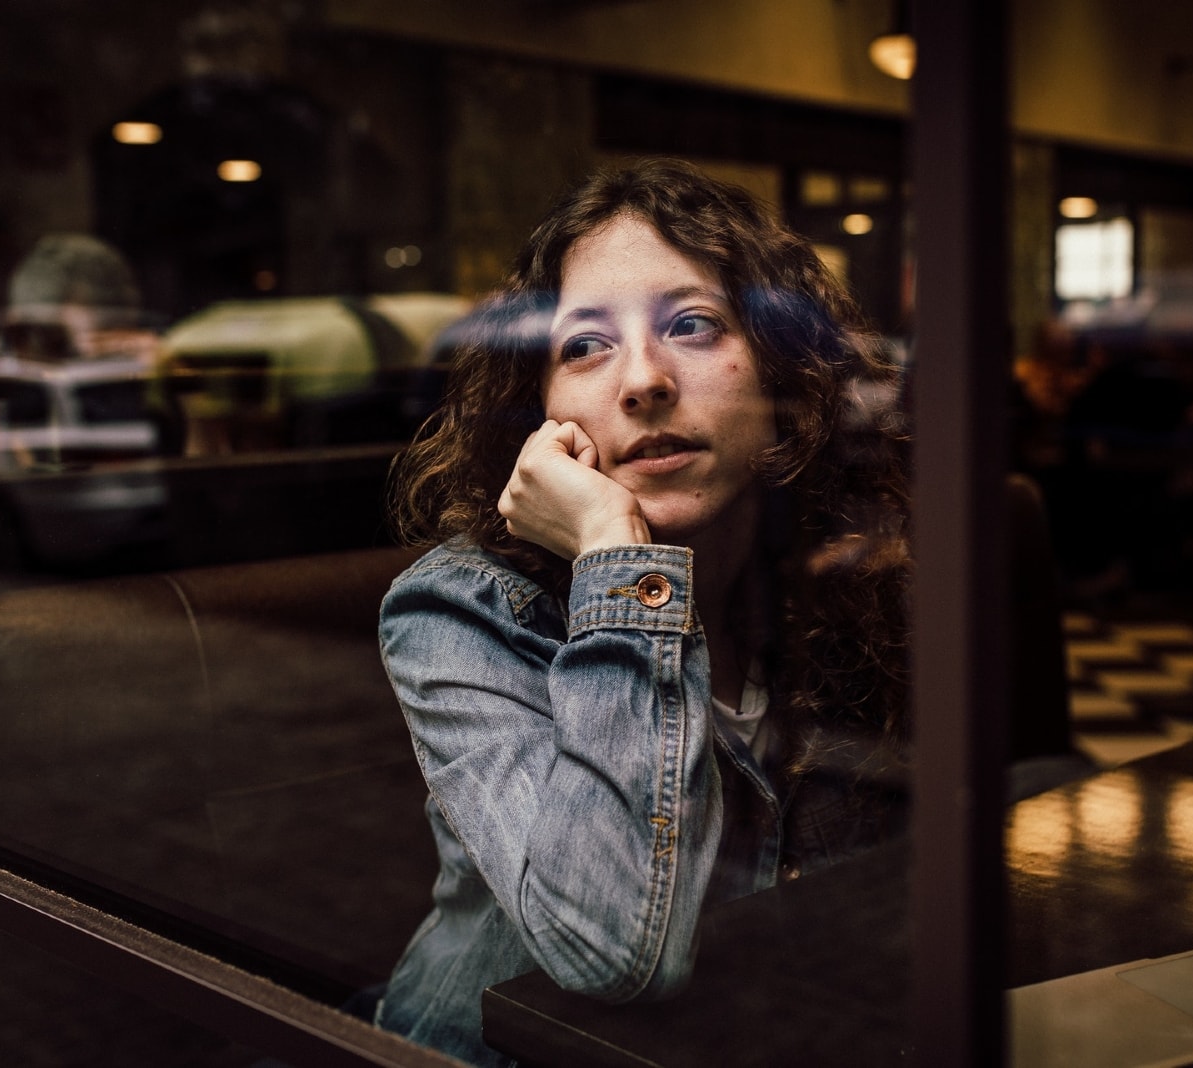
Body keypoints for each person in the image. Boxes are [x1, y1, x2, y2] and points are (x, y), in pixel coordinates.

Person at [373, 159, 911, 1066]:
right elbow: (614, 951)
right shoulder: (456, 609)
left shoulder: (835, 583)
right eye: (584, 345)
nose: (643, 381)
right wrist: (618, 557)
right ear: (539, 413)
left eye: (692, 326)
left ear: (784, 390)